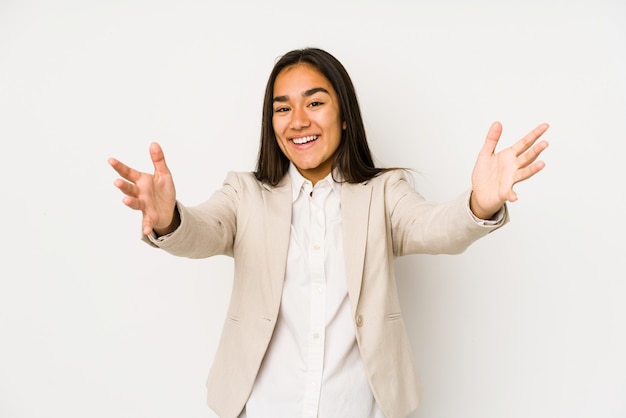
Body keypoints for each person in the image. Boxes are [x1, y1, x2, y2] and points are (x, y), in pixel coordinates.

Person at [108, 47, 549, 418]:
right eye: (283, 108)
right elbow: (203, 230)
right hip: (264, 407)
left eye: (315, 102)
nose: (297, 120)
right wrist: (168, 217)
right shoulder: (244, 193)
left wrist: (480, 202)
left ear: (343, 116)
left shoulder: (383, 192)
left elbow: (435, 229)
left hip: (358, 406)